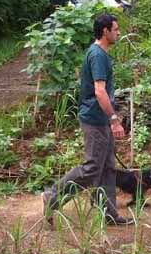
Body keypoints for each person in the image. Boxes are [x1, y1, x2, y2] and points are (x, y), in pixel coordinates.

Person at [42, 12, 133, 226]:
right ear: (105, 31)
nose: (119, 32)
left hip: (100, 119)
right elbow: (100, 92)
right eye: (116, 29)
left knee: (108, 167)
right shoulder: (98, 55)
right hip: (95, 120)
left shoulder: (99, 53)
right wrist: (114, 119)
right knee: (92, 167)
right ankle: (52, 196)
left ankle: (110, 213)